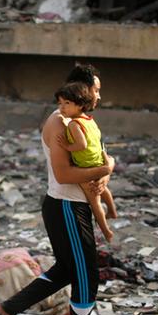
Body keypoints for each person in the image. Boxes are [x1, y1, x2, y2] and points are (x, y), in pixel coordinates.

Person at [0, 64, 114, 315]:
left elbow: (98, 157)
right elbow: (63, 174)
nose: (99, 96)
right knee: (87, 275)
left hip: (75, 206)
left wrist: (105, 173)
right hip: (65, 207)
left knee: (67, 269)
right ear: (82, 90)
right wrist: (106, 169)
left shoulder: (81, 118)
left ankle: (9, 308)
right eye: (96, 90)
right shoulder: (59, 123)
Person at [55, 81, 117, 242]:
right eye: (60, 103)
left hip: (86, 167)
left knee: (94, 202)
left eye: (67, 103)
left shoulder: (74, 125)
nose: (62, 108)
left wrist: (67, 146)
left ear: (80, 105)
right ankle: (112, 209)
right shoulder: (90, 121)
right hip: (97, 161)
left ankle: (106, 231)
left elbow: (81, 145)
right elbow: (96, 140)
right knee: (104, 189)